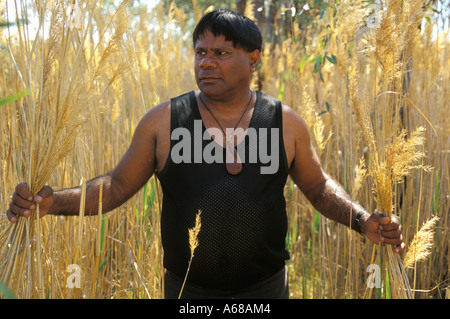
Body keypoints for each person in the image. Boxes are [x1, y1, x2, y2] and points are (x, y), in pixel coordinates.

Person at [6, 9, 404, 299]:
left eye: (220, 53)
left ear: (253, 59)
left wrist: (362, 219)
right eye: (200, 52)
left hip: (264, 293)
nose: (206, 62)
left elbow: (318, 188)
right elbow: (113, 187)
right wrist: (53, 202)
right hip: (187, 293)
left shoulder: (284, 122)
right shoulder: (164, 121)